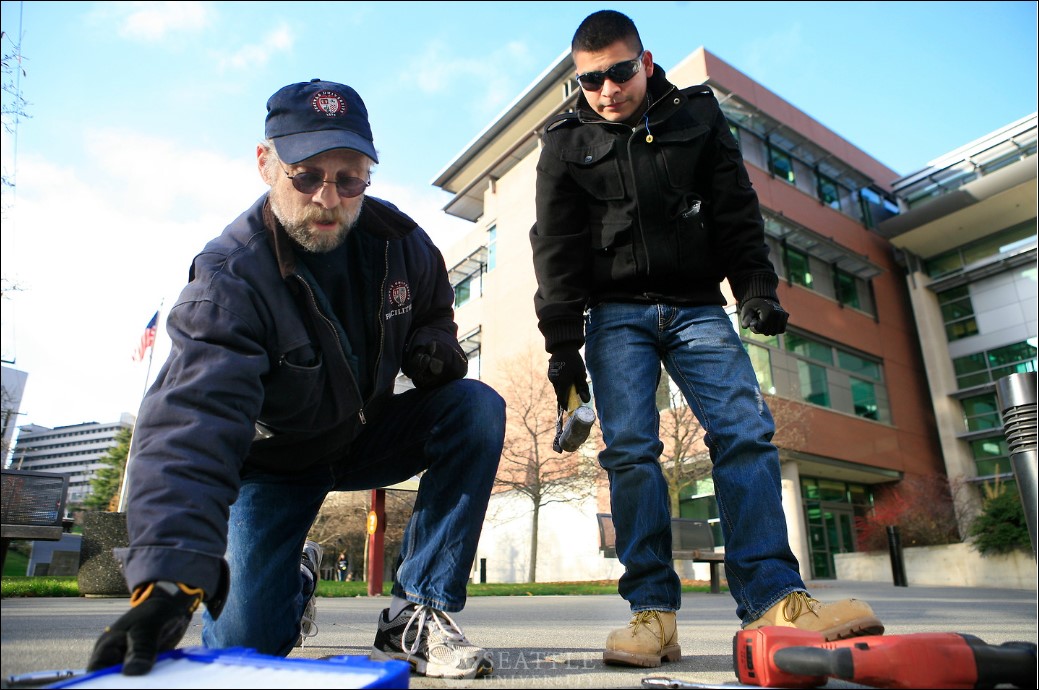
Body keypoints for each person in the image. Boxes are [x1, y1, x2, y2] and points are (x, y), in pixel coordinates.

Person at [86, 79, 505, 680]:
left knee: (474, 408)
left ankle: (417, 612)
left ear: (368, 176)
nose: (328, 199)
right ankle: (295, 577)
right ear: (266, 163)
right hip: (277, 461)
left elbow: (434, 304)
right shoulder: (231, 283)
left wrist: (432, 345)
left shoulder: (402, 243)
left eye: (349, 178)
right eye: (306, 175)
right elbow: (190, 429)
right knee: (243, 646)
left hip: (365, 432)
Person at [529, 11, 884, 669]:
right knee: (631, 451)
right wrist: (560, 347)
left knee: (744, 434)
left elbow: (732, 207)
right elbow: (555, 248)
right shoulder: (562, 142)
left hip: (697, 308)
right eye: (589, 80)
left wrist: (756, 287)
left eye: (618, 72)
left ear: (645, 60)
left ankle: (775, 601)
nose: (605, 90)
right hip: (614, 316)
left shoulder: (696, 115)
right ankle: (652, 615)